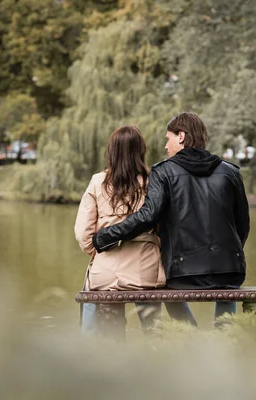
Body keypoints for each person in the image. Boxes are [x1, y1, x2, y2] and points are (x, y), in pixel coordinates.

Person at [92, 112, 250, 327]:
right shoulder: (230, 172)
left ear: (181, 136)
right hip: (231, 271)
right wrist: (228, 256)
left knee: (159, 286)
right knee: (227, 289)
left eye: (168, 139)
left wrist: (106, 236)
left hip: (184, 274)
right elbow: (242, 224)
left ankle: (188, 338)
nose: (166, 146)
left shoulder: (163, 171)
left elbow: (148, 216)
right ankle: (224, 339)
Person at [75, 125, 166, 338]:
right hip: (146, 271)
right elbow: (164, 227)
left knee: (111, 340)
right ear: (140, 151)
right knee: (154, 334)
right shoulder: (154, 181)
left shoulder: (98, 182)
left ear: (111, 152)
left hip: (107, 275)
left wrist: (100, 251)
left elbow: (83, 234)